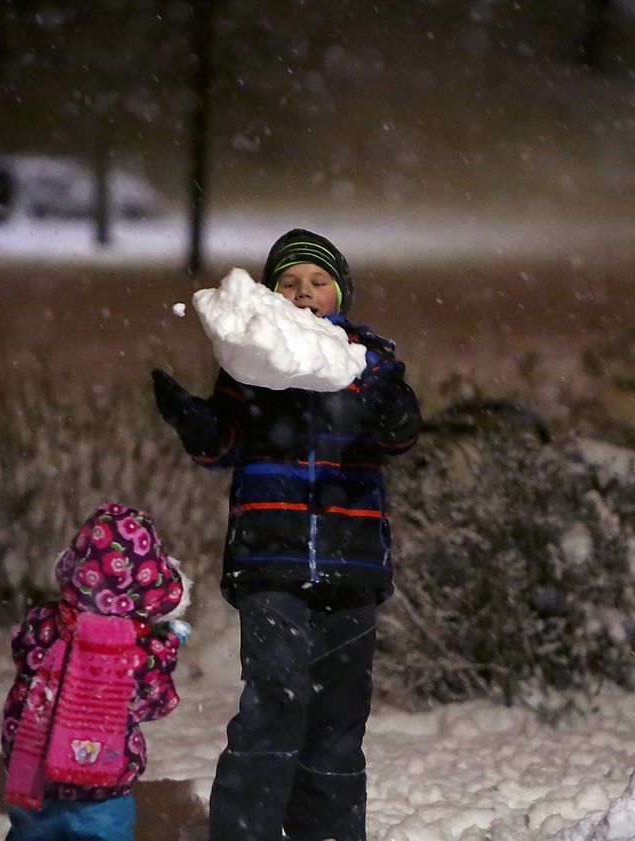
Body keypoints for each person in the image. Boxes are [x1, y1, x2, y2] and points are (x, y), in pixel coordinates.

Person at [152, 228, 421, 841]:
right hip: (269, 561)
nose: (304, 295)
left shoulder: (368, 361)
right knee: (275, 697)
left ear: (340, 295)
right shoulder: (250, 367)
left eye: (318, 283)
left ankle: (325, 831)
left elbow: (399, 436)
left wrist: (386, 404)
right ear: (270, 296)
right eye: (290, 283)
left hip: (350, 564)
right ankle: (245, 830)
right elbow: (223, 447)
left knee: (339, 713)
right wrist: (195, 421)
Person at [1, 502, 190, 841]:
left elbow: (23, 654)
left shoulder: (44, 622)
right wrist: (167, 648)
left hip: (33, 777)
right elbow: (153, 701)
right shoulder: (137, 648)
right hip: (102, 788)